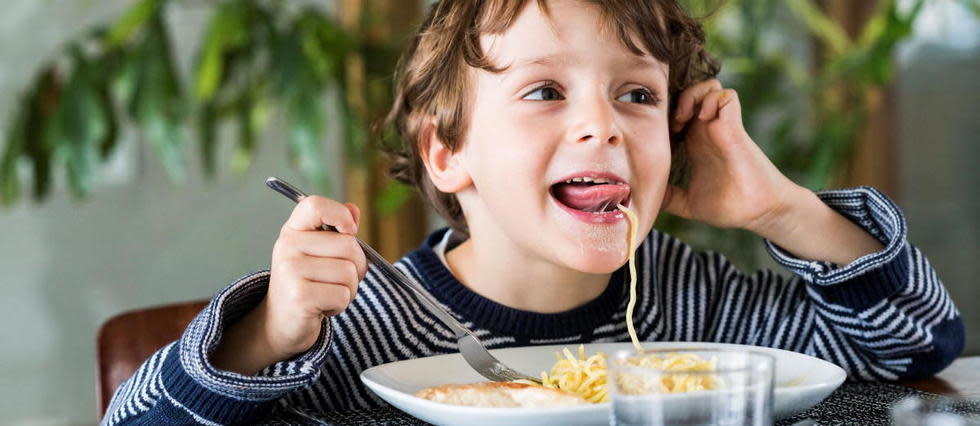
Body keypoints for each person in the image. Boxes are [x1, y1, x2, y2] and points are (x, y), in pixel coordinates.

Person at [102, 0, 964, 424]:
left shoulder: (696, 303)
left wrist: (780, 207)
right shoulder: (370, 324)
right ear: (448, 153)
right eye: (545, 90)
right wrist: (269, 336)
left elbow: (916, 349)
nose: (602, 124)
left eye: (636, 96)